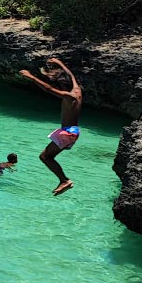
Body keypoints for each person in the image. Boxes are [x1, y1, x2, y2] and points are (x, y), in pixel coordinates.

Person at [19, 57, 82, 196]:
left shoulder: (68, 96)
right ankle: (63, 180)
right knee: (48, 156)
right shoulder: (77, 91)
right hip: (73, 132)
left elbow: (48, 89)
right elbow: (71, 75)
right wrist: (60, 63)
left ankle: (64, 180)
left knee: (45, 157)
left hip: (68, 133)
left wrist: (31, 77)